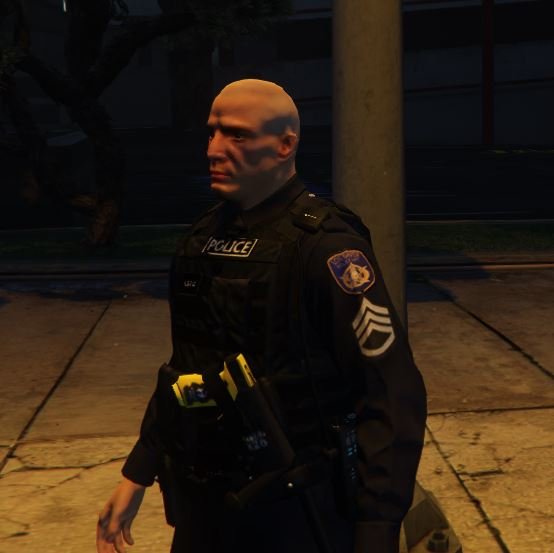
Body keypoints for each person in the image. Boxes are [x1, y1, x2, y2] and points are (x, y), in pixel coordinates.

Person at [96, 78, 427, 553]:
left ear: (284, 146)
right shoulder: (200, 241)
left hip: (298, 514)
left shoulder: (326, 248)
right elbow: (186, 371)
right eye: (212, 132)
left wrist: (377, 528)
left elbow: (391, 393)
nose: (214, 149)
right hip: (205, 509)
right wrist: (139, 471)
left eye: (237, 135)